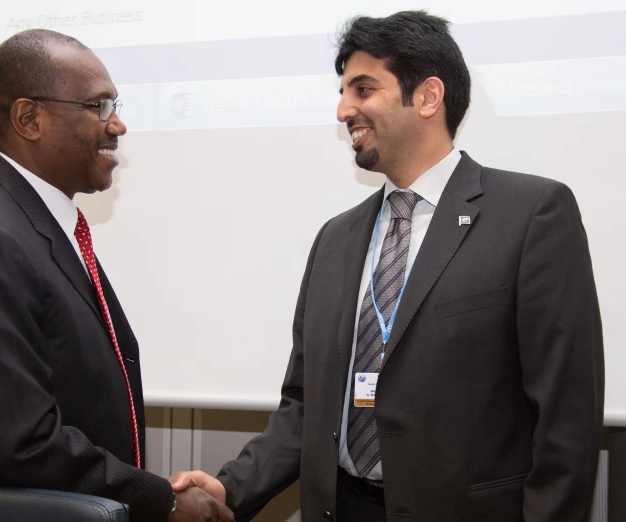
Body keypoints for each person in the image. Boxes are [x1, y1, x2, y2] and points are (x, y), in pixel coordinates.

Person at [171, 11, 604, 522]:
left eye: (362, 89)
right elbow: (306, 407)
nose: (342, 110)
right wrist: (228, 490)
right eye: (342, 91)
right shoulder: (335, 239)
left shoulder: (531, 214)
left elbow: (566, 420)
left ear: (427, 97)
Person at [0, 29, 233, 522]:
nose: (118, 124)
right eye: (98, 106)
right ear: (29, 119)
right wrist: (161, 500)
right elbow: (22, 444)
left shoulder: (36, 225)